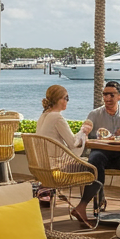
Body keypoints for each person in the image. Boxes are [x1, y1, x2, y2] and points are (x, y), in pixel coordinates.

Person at [37, 84, 97, 228]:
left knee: (92, 164)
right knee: (95, 168)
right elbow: (73, 144)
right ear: (58, 99)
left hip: (42, 168)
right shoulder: (57, 117)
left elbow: (69, 143)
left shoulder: (43, 116)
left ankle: (88, 206)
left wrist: (81, 134)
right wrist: (83, 131)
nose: (67, 101)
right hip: (57, 168)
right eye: (66, 98)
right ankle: (86, 207)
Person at [85, 81, 120, 213]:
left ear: (119, 96)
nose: (107, 98)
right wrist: (103, 138)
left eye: (111, 95)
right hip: (101, 152)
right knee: (95, 159)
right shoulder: (94, 114)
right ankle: (99, 200)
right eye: (105, 94)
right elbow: (87, 137)